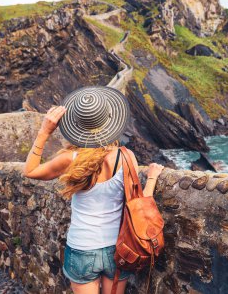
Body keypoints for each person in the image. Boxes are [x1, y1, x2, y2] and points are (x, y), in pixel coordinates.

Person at [23, 86, 164, 294]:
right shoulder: (126, 157)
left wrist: (44, 131)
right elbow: (140, 204)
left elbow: (30, 170)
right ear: (109, 121)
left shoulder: (70, 160)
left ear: (78, 126)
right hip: (116, 250)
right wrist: (151, 177)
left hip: (82, 249)